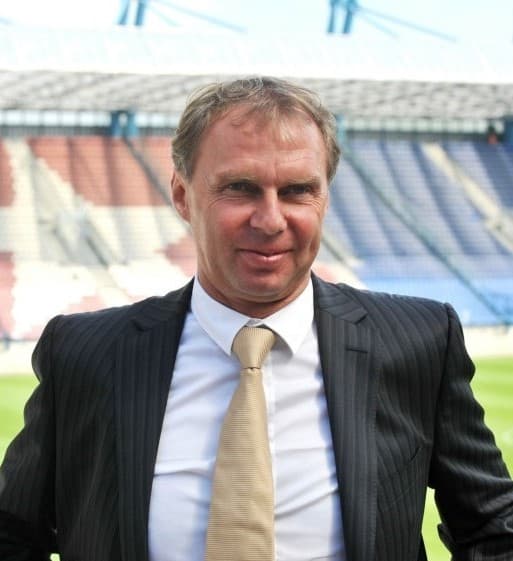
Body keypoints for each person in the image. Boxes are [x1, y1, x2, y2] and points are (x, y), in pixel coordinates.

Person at [1, 76, 512, 561]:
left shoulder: (419, 342)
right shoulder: (86, 352)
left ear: (325, 197)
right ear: (182, 195)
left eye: (297, 190)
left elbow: (492, 527)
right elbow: (13, 534)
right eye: (241, 188)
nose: (270, 220)